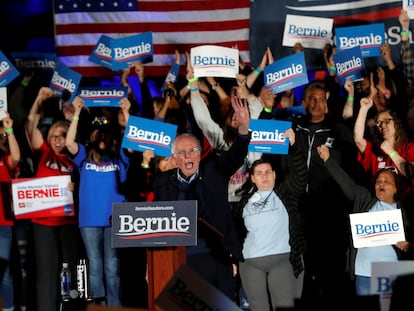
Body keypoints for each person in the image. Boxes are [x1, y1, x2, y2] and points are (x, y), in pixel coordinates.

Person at [152, 95, 251, 298]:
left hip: (216, 258)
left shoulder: (214, 170)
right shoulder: (162, 182)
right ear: (174, 157)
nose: (189, 156)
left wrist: (243, 130)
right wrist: (151, 264)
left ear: (200, 153)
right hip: (180, 260)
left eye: (193, 150)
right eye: (183, 152)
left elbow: (235, 156)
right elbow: (155, 225)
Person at [292, 79, 364, 307]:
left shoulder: (338, 130)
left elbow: (352, 169)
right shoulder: (294, 128)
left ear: (327, 103)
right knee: (307, 262)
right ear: (304, 102)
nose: (316, 103)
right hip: (300, 206)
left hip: (331, 208)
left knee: (332, 263)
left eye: (321, 99)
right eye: (312, 99)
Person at [317, 143, 413, 297]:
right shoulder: (364, 198)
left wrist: (409, 245)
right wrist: (328, 160)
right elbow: (346, 183)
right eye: (378, 181)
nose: (381, 184)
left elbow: (411, 240)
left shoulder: (403, 211)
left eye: (386, 181)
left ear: (396, 188)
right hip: (364, 271)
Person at [66, 96, 132, 306]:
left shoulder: (119, 155)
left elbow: (133, 141)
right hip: (89, 219)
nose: (101, 136)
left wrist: (127, 113)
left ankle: (114, 307)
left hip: (115, 218)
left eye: (105, 132)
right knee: (95, 267)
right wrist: (76, 113)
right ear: (92, 135)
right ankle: (99, 307)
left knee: (113, 267)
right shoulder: (83, 155)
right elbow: (68, 142)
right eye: (97, 132)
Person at [25, 87, 84, 311]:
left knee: (67, 269)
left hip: (67, 222)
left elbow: (86, 189)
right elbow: (30, 124)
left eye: (62, 135)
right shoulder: (42, 153)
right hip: (43, 223)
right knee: (46, 271)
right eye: (53, 136)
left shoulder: (75, 159)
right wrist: (38, 99)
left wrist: (76, 188)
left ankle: (68, 308)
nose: (57, 139)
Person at [238, 127, 307, 310]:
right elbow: (236, 233)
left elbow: (300, 175)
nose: (264, 176)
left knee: (283, 306)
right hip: (251, 262)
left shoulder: (286, 193)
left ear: (275, 175)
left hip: (282, 260)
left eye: (268, 172)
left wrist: (294, 146)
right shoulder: (243, 203)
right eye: (259, 173)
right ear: (252, 178)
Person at [0, 113, 21, 311]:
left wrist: (9, 129)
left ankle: (8, 308)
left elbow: (16, 157)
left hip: (2, 224)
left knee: (4, 271)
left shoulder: (5, 162)